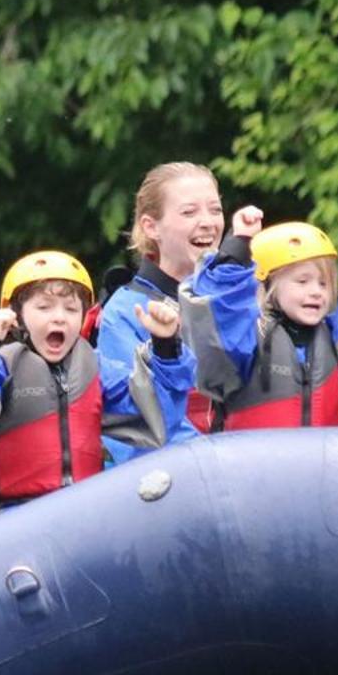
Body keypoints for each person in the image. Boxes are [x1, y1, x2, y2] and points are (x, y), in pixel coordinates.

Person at [0, 250, 191, 514]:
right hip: (16, 517)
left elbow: (160, 416)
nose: (59, 317)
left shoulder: (96, 367)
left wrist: (166, 346)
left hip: (84, 514)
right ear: (15, 316)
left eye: (71, 309)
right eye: (44, 307)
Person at [179, 206, 338, 429]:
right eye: (302, 281)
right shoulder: (246, 343)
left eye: (323, 283)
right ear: (268, 286)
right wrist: (238, 246)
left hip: (318, 470)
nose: (316, 291)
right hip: (251, 470)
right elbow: (218, 313)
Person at [92, 162, 225, 459]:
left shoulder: (235, 300)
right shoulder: (125, 312)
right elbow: (133, 430)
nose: (208, 222)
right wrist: (221, 459)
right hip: (170, 479)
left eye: (215, 210)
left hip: (240, 464)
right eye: (189, 212)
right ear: (151, 227)